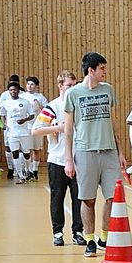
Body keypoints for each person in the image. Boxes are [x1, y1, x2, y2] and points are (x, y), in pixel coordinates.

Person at [63, 51, 127, 258]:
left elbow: (114, 122)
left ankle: (104, 237)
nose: (105, 73)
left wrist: (120, 152)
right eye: (102, 69)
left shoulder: (108, 90)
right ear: (91, 70)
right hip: (85, 151)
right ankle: (89, 239)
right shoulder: (73, 94)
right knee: (88, 199)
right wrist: (68, 159)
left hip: (108, 151)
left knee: (112, 197)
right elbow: (68, 129)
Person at [32, 70, 85, 247]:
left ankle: (78, 231)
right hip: (57, 159)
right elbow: (36, 130)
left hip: (79, 159)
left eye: (75, 85)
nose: (72, 88)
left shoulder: (79, 106)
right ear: (61, 86)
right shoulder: (52, 107)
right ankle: (57, 232)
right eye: (69, 85)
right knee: (57, 197)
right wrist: (59, 128)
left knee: (79, 197)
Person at [0, 81, 36, 184]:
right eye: (11, 90)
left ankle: (28, 170)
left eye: (14, 89)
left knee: (26, 154)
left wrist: (24, 120)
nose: (13, 91)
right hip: (12, 133)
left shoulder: (25, 102)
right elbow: (2, 114)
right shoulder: (5, 103)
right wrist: (4, 124)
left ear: (18, 90)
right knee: (14, 153)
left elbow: (32, 115)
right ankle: (20, 176)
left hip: (23, 132)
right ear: (9, 91)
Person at [22, 76, 48, 181]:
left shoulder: (40, 97)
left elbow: (47, 111)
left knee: (36, 149)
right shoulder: (22, 96)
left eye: (32, 84)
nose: (29, 86)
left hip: (37, 126)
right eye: (28, 84)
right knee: (26, 149)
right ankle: (27, 170)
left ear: (36, 86)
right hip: (26, 127)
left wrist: (40, 106)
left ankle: (35, 170)